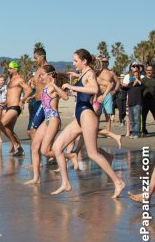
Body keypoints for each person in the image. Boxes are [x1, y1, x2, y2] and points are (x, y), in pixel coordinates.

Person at [51, 49, 126, 198]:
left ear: (84, 61)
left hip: (87, 115)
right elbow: (84, 91)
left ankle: (118, 182)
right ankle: (65, 183)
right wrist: (72, 89)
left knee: (92, 154)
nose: (73, 63)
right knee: (57, 147)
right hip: (80, 116)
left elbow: (94, 89)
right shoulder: (84, 74)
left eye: (75, 61)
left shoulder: (90, 73)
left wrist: (71, 87)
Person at [25, 65, 77, 184]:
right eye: (40, 75)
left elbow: (65, 97)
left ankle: (70, 156)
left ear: (50, 75)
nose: (40, 77)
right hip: (46, 120)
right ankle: (36, 178)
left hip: (54, 119)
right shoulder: (45, 87)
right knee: (34, 147)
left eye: (42, 74)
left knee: (45, 151)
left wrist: (54, 85)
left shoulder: (53, 87)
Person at [0, 61, 33, 156]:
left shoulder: (19, 79)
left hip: (15, 107)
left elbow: (29, 90)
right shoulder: (11, 79)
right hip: (9, 106)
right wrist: (6, 102)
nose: (8, 70)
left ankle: (16, 145)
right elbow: (12, 93)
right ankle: (19, 149)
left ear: (15, 69)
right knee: (8, 128)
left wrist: (22, 100)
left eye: (10, 68)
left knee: (1, 125)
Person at [93, 56, 122, 147]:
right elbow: (91, 75)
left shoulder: (111, 72)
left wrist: (114, 91)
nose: (104, 63)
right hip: (98, 95)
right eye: (103, 62)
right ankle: (95, 132)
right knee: (97, 114)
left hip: (108, 95)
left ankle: (109, 133)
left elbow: (118, 82)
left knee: (107, 114)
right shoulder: (98, 72)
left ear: (108, 63)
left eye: (106, 62)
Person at [26, 48, 49, 140]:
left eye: (36, 58)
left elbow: (54, 84)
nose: (35, 60)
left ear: (42, 57)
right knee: (32, 131)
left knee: (33, 130)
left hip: (44, 102)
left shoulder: (48, 68)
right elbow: (38, 87)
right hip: (36, 101)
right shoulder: (38, 69)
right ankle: (43, 151)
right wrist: (33, 96)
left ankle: (38, 152)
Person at [123, 61, 145, 139]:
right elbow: (123, 87)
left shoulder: (141, 83)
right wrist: (129, 82)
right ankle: (133, 132)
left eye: (137, 74)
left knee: (137, 119)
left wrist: (137, 80)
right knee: (132, 119)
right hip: (130, 103)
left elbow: (142, 86)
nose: (135, 75)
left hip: (138, 103)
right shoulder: (130, 83)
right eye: (134, 75)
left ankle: (137, 133)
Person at [141, 64, 155, 135]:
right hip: (144, 101)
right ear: (146, 71)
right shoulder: (143, 80)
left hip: (153, 101)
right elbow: (140, 91)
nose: (149, 71)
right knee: (143, 117)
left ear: (152, 71)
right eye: (148, 70)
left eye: (150, 70)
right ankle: (143, 130)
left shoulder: (154, 79)